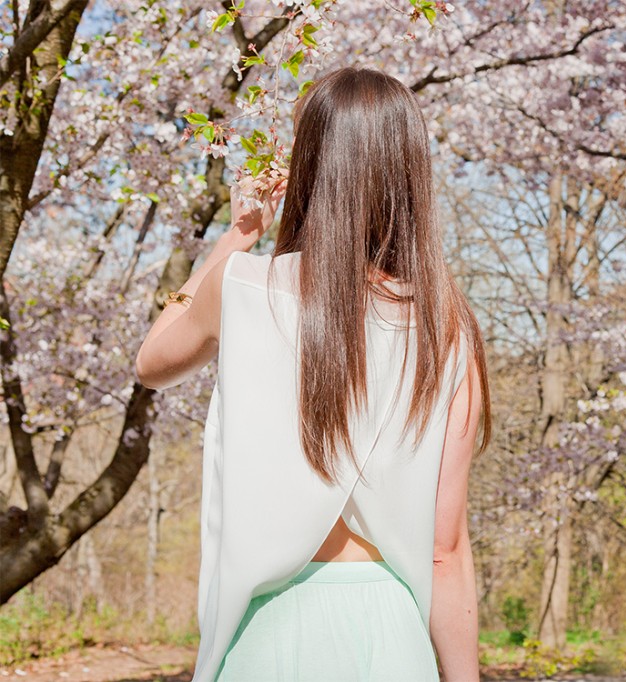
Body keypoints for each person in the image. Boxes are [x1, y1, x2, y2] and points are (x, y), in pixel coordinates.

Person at [135, 66, 491, 682]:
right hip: (391, 635)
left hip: (269, 634)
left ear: (310, 166)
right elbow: (444, 547)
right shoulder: (445, 325)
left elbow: (151, 363)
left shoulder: (242, 288)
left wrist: (236, 237)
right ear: (410, 174)